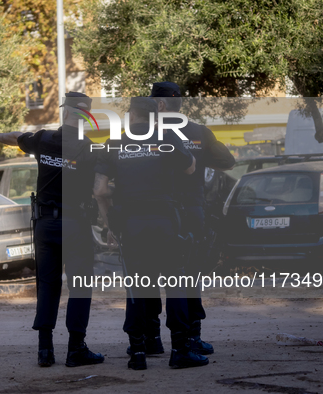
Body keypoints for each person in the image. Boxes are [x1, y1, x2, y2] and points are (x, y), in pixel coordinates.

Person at [0, 92, 104, 368]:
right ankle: (76, 349)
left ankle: (45, 351)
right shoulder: (89, 149)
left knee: (47, 285)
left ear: (67, 113)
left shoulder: (44, 139)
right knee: (80, 286)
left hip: (45, 225)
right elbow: (100, 188)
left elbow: (16, 137)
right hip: (75, 225)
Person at [94, 97, 208, 370]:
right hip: (165, 222)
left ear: (130, 116)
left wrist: (114, 214)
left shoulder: (115, 143)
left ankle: (138, 352)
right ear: (154, 115)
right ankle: (180, 350)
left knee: (137, 286)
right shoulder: (167, 137)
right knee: (175, 282)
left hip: (131, 224)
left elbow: (99, 189)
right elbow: (190, 167)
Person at [150, 81, 236, 356]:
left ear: (160, 105)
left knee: (151, 275)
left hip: (159, 213)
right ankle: (192, 336)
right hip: (192, 211)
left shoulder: (148, 133)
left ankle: (151, 339)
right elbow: (228, 161)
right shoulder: (200, 131)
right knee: (191, 275)